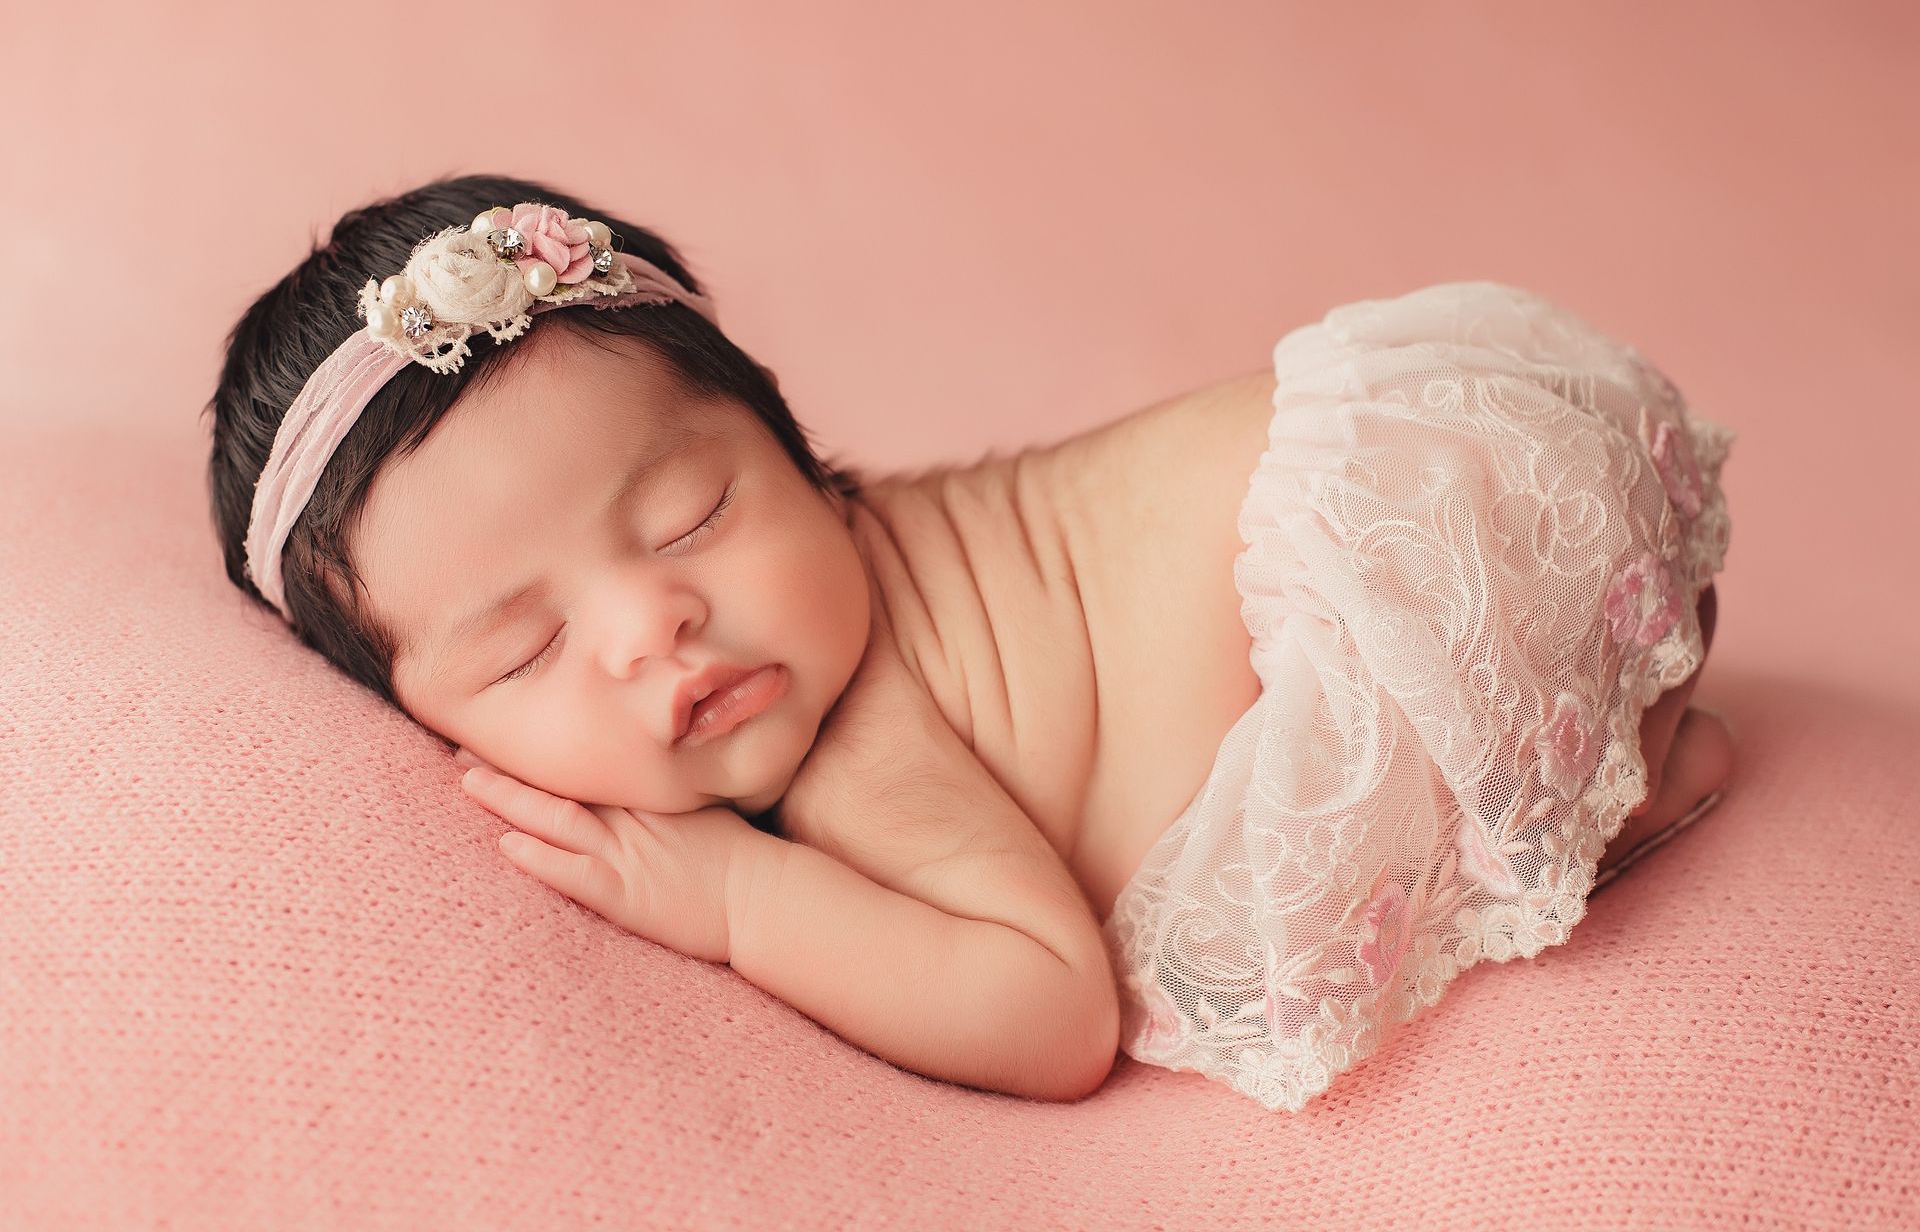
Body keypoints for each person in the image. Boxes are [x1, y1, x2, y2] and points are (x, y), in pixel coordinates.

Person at [206, 174, 1735, 1111]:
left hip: (1421, 530)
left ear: (797, 450)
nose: (649, 623)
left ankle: (1591, 774)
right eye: (525, 651)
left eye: (691, 516)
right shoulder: (838, 594)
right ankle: (1622, 739)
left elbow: (1049, 1009)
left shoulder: (859, 742)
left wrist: (742, 897)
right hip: (1478, 442)